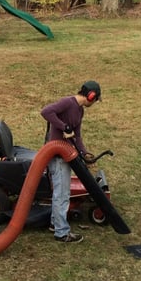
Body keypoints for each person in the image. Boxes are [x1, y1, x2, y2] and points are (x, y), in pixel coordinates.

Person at [40, 81, 102, 243]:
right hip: (58, 156)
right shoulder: (67, 102)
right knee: (62, 194)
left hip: (67, 155)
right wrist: (64, 127)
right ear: (91, 96)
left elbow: (77, 135)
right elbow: (46, 112)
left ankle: (55, 224)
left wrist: (84, 153)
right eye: (95, 100)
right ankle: (61, 232)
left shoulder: (80, 111)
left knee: (61, 193)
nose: (94, 103)